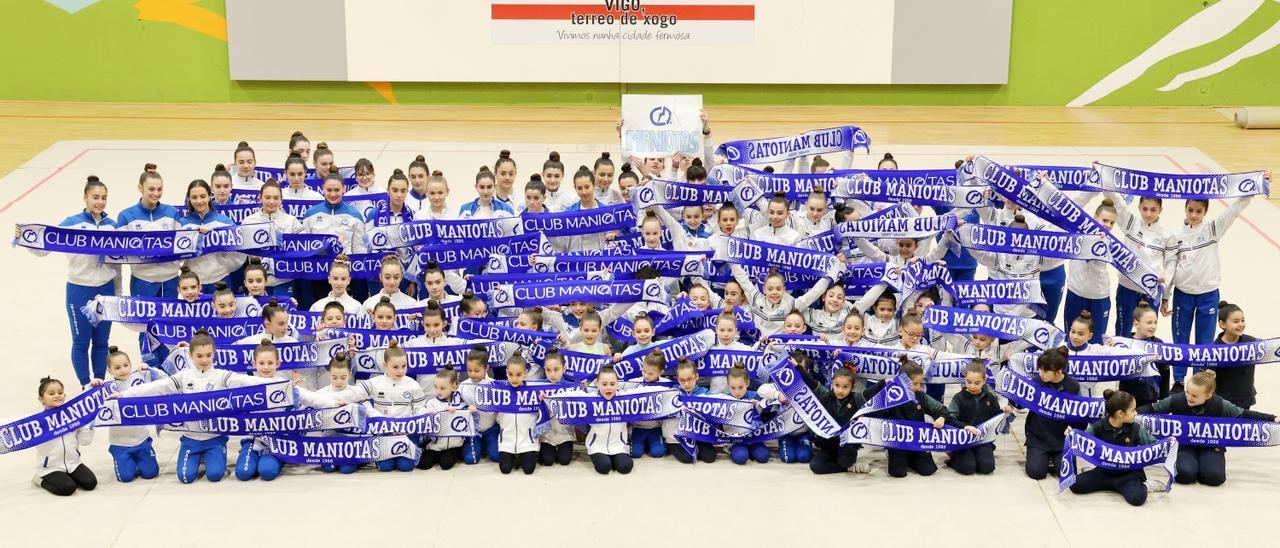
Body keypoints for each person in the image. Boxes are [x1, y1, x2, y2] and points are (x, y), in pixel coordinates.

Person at [21, 176, 119, 387]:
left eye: (103, 198)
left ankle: (99, 381)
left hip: (105, 289)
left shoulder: (112, 226)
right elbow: (46, 247)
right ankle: (85, 384)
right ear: (85, 197)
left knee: (102, 341)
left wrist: (117, 292)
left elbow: (118, 261)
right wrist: (29, 239)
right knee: (82, 342)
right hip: (79, 289)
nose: (100, 202)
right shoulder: (72, 223)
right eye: (95, 197)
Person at [1167, 193, 1255, 386]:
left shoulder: (1213, 229)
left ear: (1205, 212)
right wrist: (1166, 296)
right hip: (1183, 294)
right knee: (1180, 340)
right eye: (1190, 210)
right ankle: (1179, 381)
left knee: (1204, 342)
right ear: (1185, 209)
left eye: (1199, 211)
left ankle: (1199, 382)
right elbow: (1170, 266)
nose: (1193, 215)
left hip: (1208, 294)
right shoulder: (1175, 235)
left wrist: (1253, 187)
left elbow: (1233, 211)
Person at [1139, 369, 1280, 486]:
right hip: (1183, 443)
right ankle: (1192, 464)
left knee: (1215, 478)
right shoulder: (1177, 399)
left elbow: (1245, 415)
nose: (1188, 397)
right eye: (1187, 392)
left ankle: (1203, 464)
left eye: (1194, 395)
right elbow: (1153, 409)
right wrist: (1135, 413)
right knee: (1185, 475)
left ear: (1208, 396)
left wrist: (1273, 419)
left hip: (1211, 443)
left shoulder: (1220, 404)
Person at [1068, 390, 1160, 506]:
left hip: (1127, 475)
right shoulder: (1098, 427)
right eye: (1133, 410)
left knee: (1137, 499)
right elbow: (1081, 441)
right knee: (1074, 485)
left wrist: (1167, 443)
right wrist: (1072, 435)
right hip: (1104, 471)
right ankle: (1095, 476)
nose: (1136, 413)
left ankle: (1147, 485)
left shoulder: (1136, 429)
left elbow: (1154, 444)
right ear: (1120, 413)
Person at [102, 347, 164, 483]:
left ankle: (141, 457)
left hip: (141, 438)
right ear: (109, 370)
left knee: (151, 473)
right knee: (126, 478)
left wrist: (150, 369)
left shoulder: (141, 377)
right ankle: (122, 458)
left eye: (126, 365)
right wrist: (92, 384)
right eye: (117, 367)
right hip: (120, 442)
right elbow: (89, 399)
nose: (123, 370)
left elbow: (165, 379)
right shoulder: (107, 388)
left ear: (130, 364)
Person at [1021, 347, 1083, 480]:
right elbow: (1020, 402)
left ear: (1059, 372)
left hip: (1062, 438)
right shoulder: (1035, 382)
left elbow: (1082, 413)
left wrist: (1075, 429)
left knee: (1068, 474)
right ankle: (1044, 458)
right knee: (1035, 472)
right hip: (1038, 436)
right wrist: (1012, 405)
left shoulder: (1073, 386)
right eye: (1040, 369)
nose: (1041, 373)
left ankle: (1054, 459)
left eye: (1045, 370)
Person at [31, 377, 97, 496]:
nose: (57, 395)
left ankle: (66, 476)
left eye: (60, 392)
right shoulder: (37, 422)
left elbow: (85, 441)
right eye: (51, 393)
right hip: (50, 467)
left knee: (90, 483)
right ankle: (39, 480)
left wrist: (86, 423)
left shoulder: (72, 415)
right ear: (41, 399)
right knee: (68, 488)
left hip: (73, 463)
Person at [945, 360, 1011, 475]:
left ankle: (978, 454)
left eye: (977, 383)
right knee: (968, 468)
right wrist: (965, 427)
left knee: (987, 467)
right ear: (964, 379)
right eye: (969, 382)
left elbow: (995, 416)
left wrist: (1004, 412)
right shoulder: (958, 398)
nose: (972, 386)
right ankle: (953, 457)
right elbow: (950, 419)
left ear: (984, 381)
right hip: (963, 440)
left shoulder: (990, 397)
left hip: (983, 440)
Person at [585, 365, 634, 474]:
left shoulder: (625, 398)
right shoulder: (589, 399)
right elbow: (571, 396)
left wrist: (669, 391)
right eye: (604, 384)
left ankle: (615, 457)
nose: (608, 388)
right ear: (597, 384)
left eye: (612, 384)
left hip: (618, 445)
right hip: (597, 446)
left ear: (618, 384)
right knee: (604, 467)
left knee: (625, 467)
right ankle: (604, 457)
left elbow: (645, 392)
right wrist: (548, 397)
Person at [1210, 301, 1259, 408]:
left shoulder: (1251, 342)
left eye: (1243, 320)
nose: (1241, 324)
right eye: (1236, 321)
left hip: (1245, 398)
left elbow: (1270, 349)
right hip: (1223, 403)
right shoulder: (1214, 349)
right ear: (1222, 324)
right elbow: (1207, 376)